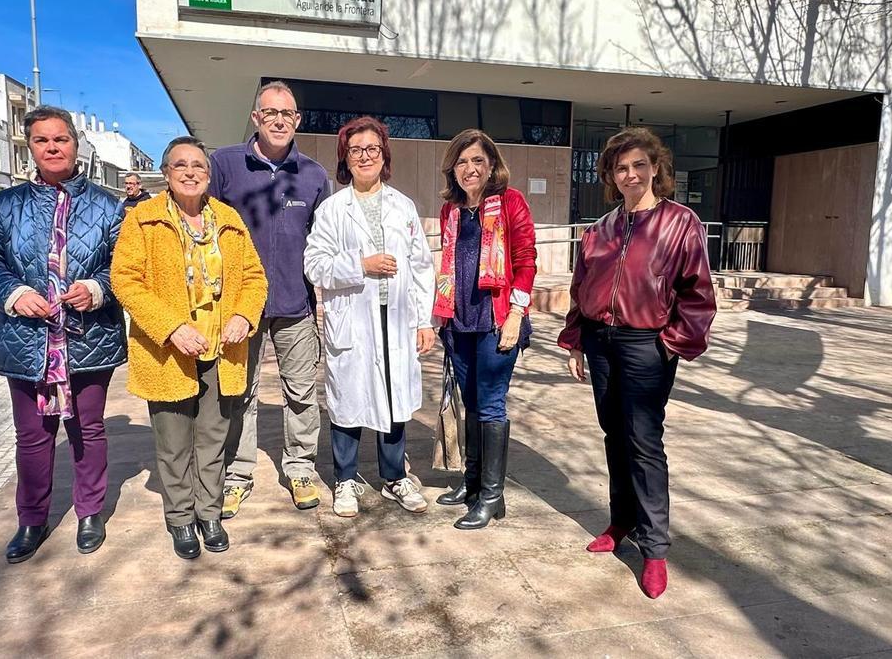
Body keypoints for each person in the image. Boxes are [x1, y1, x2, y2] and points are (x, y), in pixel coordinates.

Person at [558, 126, 716, 599]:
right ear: (611, 174)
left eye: (639, 166)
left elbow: (697, 292)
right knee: (613, 434)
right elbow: (581, 286)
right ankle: (621, 522)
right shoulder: (600, 229)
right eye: (621, 168)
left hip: (648, 343)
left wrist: (673, 343)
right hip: (601, 341)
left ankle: (655, 548)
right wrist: (576, 340)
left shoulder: (679, 222)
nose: (630, 175)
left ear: (655, 169)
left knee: (643, 440)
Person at [0, 106, 126, 564]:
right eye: (42, 140)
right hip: (27, 340)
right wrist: (13, 293)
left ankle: (90, 511)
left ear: (77, 145)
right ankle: (32, 518)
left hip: (87, 337)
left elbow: (124, 265)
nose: (53, 147)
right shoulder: (4, 205)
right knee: (34, 436)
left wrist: (98, 288)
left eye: (61, 139)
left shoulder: (107, 205)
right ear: (31, 148)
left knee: (88, 429)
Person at [111, 136, 267, 560]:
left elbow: (254, 277)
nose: (191, 172)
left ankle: (209, 512)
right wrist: (171, 327)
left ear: (209, 173)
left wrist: (244, 316)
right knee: (175, 442)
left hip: (221, 348)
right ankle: (180, 517)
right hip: (170, 351)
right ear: (166, 174)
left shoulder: (229, 220)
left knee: (213, 439)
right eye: (180, 165)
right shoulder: (143, 219)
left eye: (198, 164)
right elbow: (125, 280)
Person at [209, 80, 331, 518]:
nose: (279, 120)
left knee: (301, 393)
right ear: (256, 117)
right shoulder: (224, 165)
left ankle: (299, 468)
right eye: (270, 112)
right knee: (240, 392)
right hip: (240, 309)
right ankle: (238, 475)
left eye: (288, 114)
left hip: (296, 307)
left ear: (297, 121)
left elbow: (323, 244)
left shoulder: (315, 176)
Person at [304, 116, 436, 518]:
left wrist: (424, 320)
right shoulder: (332, 209)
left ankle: (394, 476)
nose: (365, 157)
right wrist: (360, 264)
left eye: (372, 149)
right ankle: (345, 479)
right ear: (346, 157)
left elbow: (420, 266)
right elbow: (314, 264)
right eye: (356, 150)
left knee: (393, 398)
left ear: (384, 156)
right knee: (348, 400)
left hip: (395, 317)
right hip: (353, 319)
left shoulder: (403, 206)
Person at [432, 129, 537, 530]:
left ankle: (492, 496)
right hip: (459, 322)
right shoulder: (452, 210)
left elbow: (526, 260)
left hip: (497, 320)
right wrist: (440, 315)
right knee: (472, 402)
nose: (470, 168)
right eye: (462, 162)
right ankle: (472, 483)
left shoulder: (510, 203)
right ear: (453, 169)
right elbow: (448, 265)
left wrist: (516, 313)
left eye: (477, 160)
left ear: (491, 165)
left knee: (491, 404)